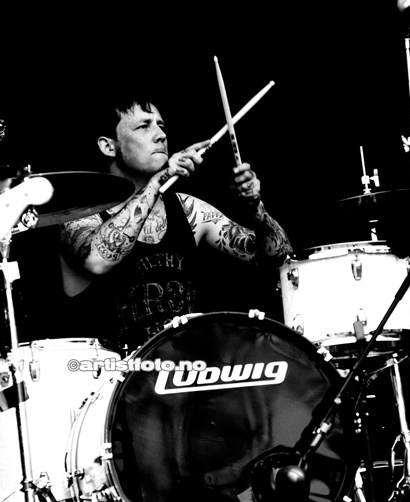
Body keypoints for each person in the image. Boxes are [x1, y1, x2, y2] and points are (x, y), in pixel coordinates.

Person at [57, 87, 293, 356]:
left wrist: (255, 207)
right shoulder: (77, 213)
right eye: (144, 126)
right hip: (112, 375)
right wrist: (158, 181)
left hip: (185, 371)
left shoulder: (188, 210)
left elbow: (279, 259)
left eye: (161, 125)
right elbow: (98, 260)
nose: (161, 134)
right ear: (109, 146)